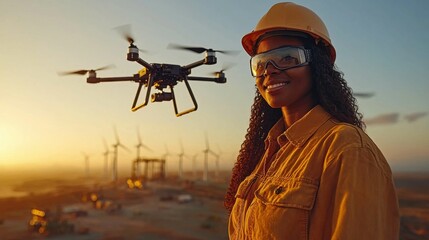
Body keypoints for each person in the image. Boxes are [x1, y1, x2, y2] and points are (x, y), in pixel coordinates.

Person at [224, 2, 400, 240]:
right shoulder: (267, 152)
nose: (269, 70)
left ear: (318, 65)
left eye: (287, 58)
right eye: (261, 62)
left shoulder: (346, 149)